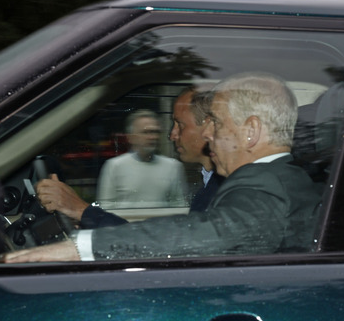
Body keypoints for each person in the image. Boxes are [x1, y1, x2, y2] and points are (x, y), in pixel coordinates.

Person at [5, 72, 322, 262]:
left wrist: (79, 249)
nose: (208, 134)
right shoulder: (278, 178)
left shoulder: (267, 186)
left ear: (251, 131)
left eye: (217, 123)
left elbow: (209, 234)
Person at [36, 85, 222, 228]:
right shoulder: (210, 185)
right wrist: (86, 216)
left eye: (180, 125)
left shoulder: (221, 190)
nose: (171, 135)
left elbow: (171, 245)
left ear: (208, 128)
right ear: (131, 137)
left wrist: (81, 210)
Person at [95, 109, 188, 209]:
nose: (152, 137)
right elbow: (105, 208)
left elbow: (180, 206)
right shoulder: (114, 166)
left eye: (155, 132)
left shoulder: (173, 167)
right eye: (146, 132)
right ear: (131, 138)